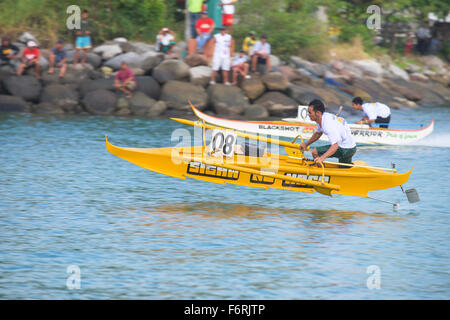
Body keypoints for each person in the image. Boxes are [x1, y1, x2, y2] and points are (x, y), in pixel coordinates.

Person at [300, 99, 356, 165]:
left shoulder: (328, 125)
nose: (308, 114)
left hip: (345, 149)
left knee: (315, 152)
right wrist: (306, 144)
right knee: (344, 168)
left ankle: (320, 172)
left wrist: (322, 158)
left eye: (310, 112)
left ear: (318, 113)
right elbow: (318, 133)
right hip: (351, 147)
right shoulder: (321, 118)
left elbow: (335, 146)